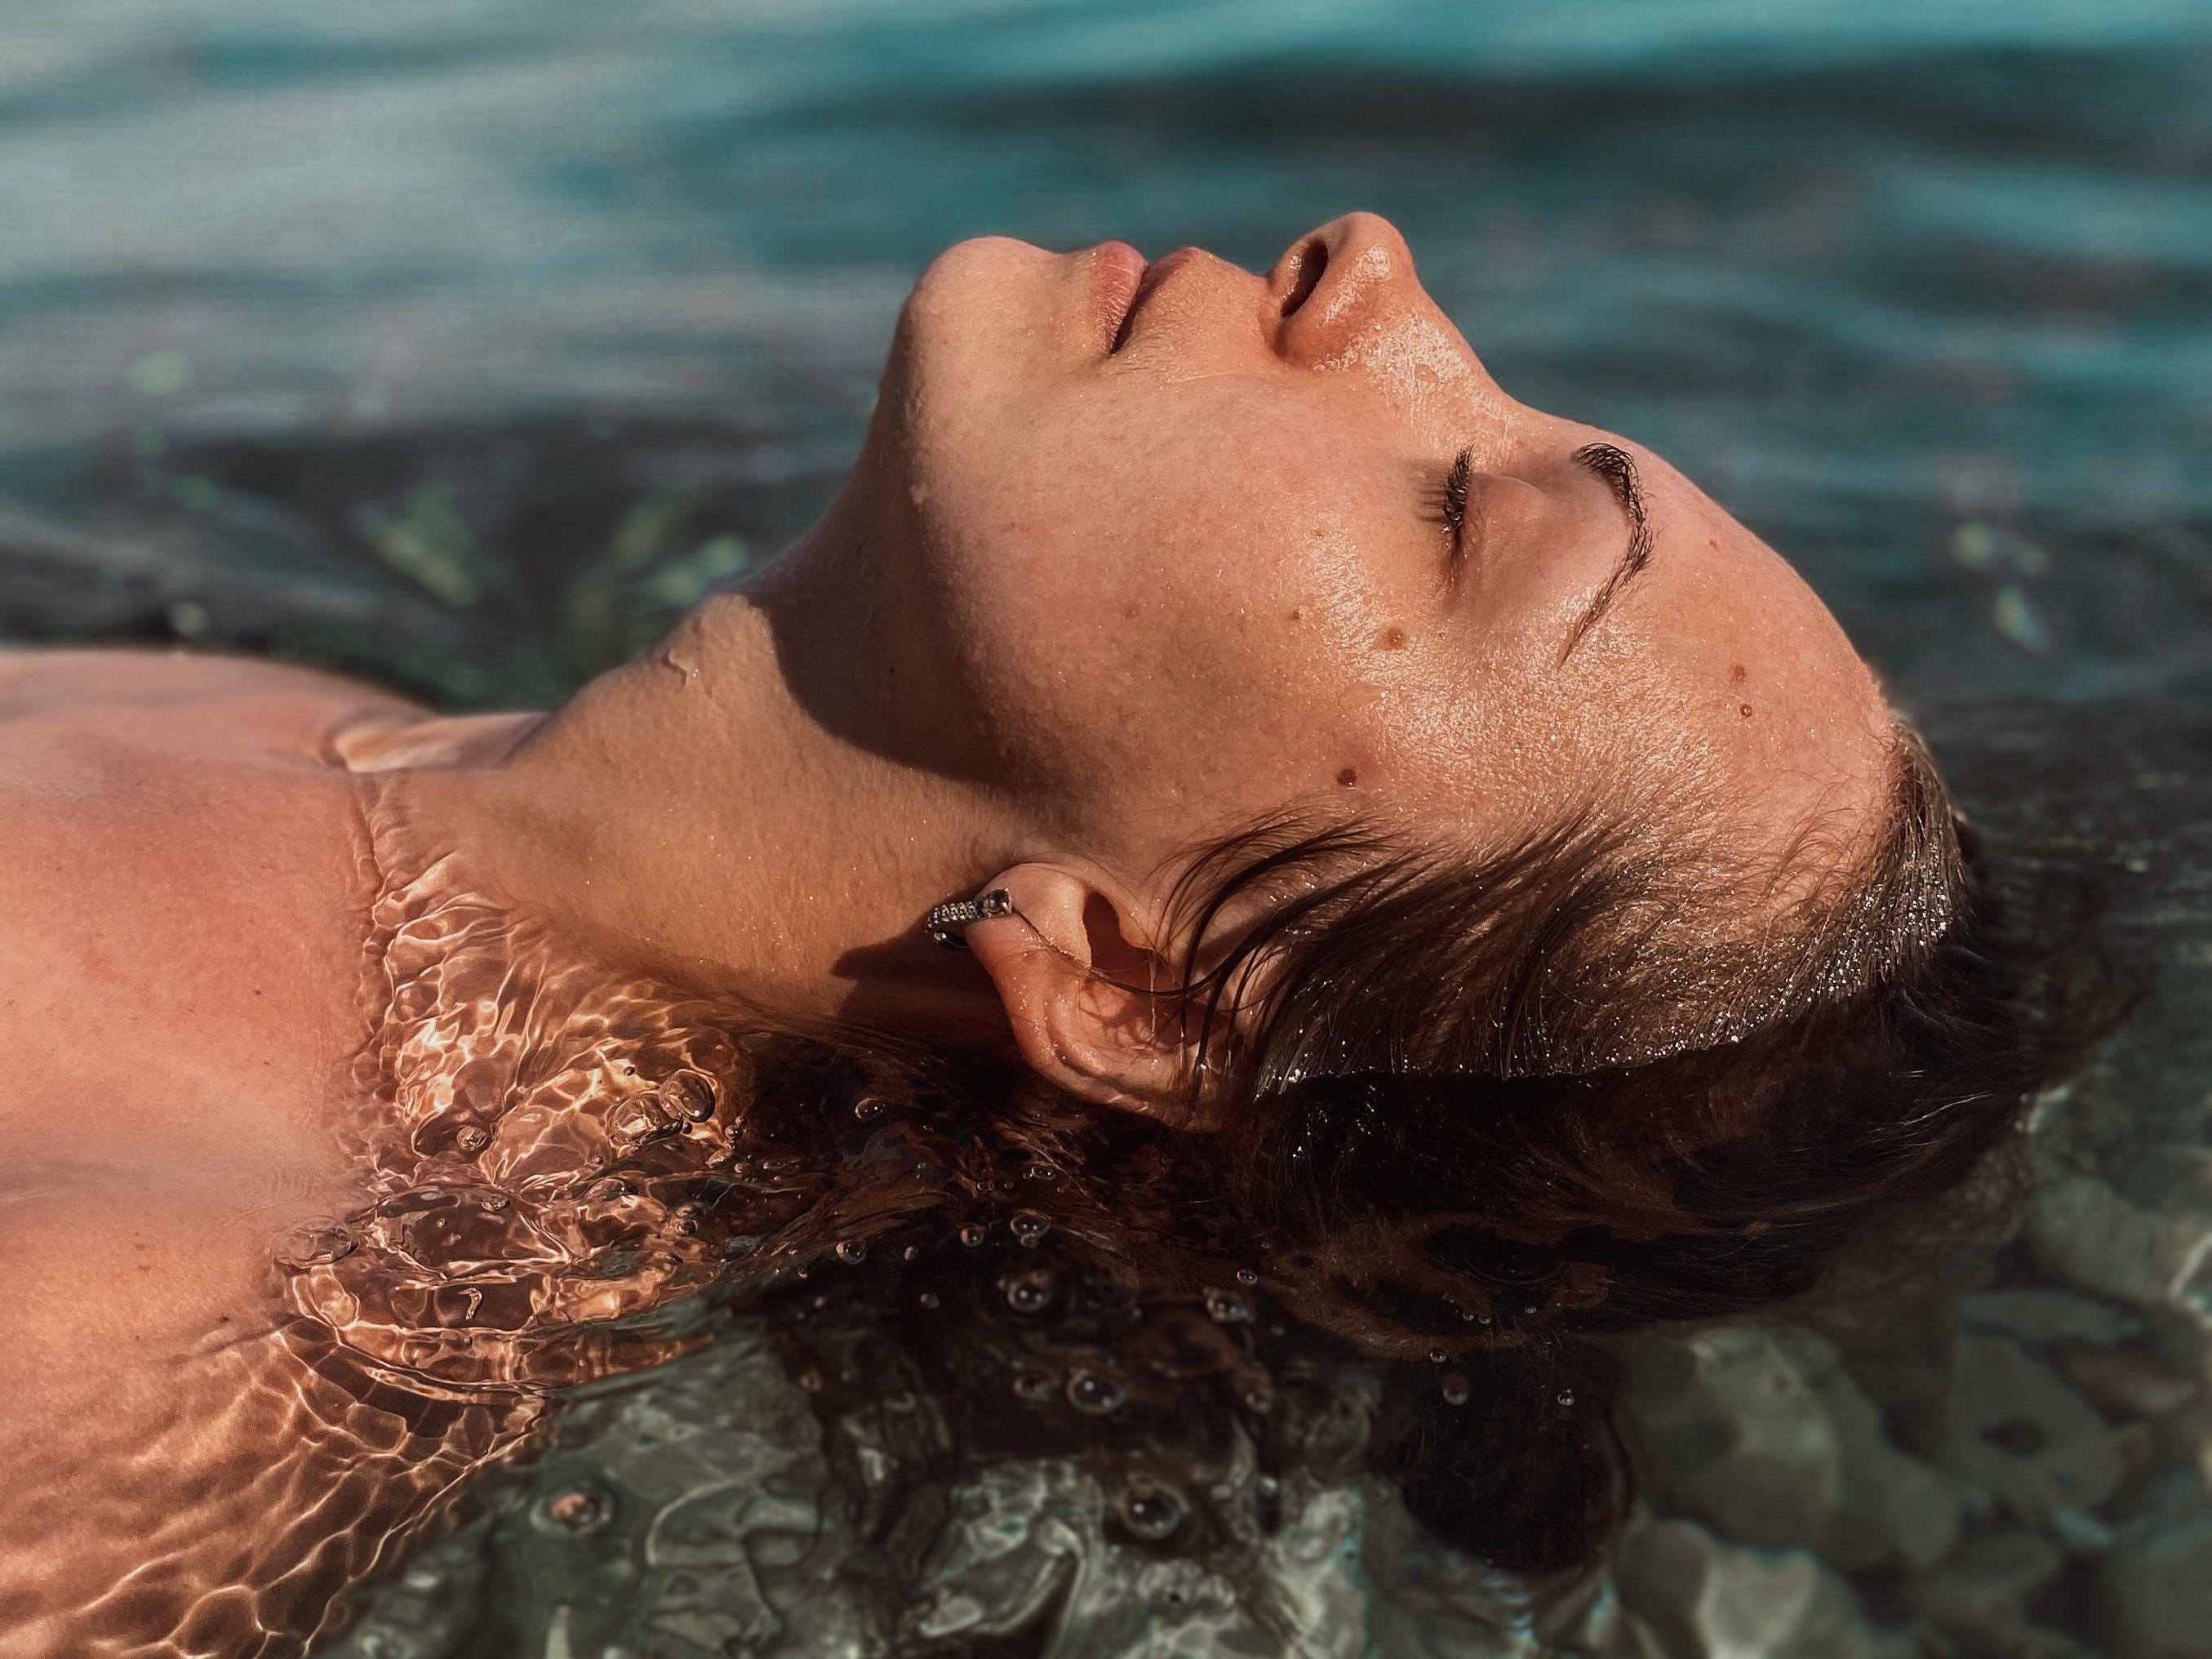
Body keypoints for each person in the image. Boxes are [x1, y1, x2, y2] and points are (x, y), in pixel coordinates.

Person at [0, 215, 2094, 1657]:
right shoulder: (332, 746)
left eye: (1457, 513)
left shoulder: (170, 1315)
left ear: (1135, 984)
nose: (1371, 269)